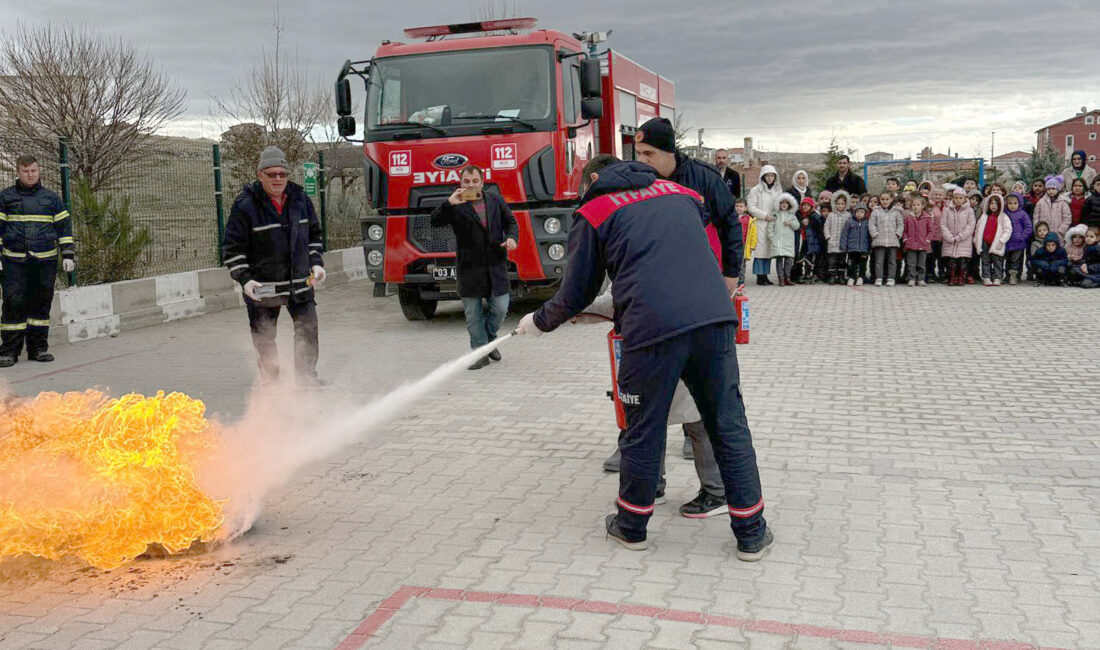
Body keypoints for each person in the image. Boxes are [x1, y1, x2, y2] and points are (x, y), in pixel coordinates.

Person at [515, 155, 773, 561]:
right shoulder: (683, 195)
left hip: (651, 330)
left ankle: (632, 527)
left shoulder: (595, 210)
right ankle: (752, 533)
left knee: (644, 428)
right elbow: (675, 260)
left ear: (593, 181)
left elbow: (577, 290)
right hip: (713, 319)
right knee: (727, 422)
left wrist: (541, 321)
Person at [618, 117, 746, 516]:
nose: (641, 161)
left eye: (648, 154)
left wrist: (729, 275)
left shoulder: (705, 179)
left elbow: (730, 226)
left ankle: (716, 489)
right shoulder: (637, 181)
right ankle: (647, 481)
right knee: (653, 398)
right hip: (658, 296)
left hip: (701, 293)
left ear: (671, 152)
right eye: (637, 154)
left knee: (696, 398)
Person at [223, 146, 326, 386]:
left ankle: (306, 380)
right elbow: (232, 248)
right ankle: (272, 383)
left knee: (307, 330)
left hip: (300, 284)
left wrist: (316, 263)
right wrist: (245, 279)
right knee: (264, 336)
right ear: (260, 175)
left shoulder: (300, 200)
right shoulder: (245, 205)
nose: (278, 179)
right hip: (264, 287)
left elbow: (314, 236)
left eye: (282, 174)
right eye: (272, 174)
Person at [430, 164, 518, 370]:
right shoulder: (455, 204)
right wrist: (448, 204)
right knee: (473, 314)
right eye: (466, 182)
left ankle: (488, 342)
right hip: (469, 269)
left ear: (482, 181)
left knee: (501, 308)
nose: (471, 185)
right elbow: (435, 222)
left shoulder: (495, 199)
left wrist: (512, 238)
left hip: (495, 266)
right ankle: (480, 353)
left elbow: (511, 223)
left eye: (475, 181)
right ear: (461, 183)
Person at [0, 155, 76, 366]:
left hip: (45, 262)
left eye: (33, 170)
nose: (30, 175)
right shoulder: (5, 198)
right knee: (13, 304)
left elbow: (64, 229)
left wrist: (68, 254)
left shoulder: (51, 199)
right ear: (18, 172)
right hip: (14, 262)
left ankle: (38, 349)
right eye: (26, 171)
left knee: (41, 305)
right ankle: (8, 352)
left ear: (38, 170)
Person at [746, 165, 783, 285]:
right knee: (760, 250)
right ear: (763, 176)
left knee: (768, 251)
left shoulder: (778, 190)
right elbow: (751, 207)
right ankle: (759, 275)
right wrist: (764, 215)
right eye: (767, 175)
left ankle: (766, 275)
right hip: (761, 223)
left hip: (773, 223)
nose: (770, 178)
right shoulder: (756, 190)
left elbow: (782, 205)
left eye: (772, 175)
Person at [973, 194, 1012, 286]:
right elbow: (978, 229)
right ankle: (986, 277)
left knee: (997, 261)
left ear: (1000, 205)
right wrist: (976, 240)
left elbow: (1008, 230)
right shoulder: (984, 217)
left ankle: (997, 277)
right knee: (985, 260)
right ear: (988, 205)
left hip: (997, 243)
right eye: (991, 204)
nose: (994, 206)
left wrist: (1001, 241)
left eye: (996, 204)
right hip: (985, 242)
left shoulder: (1003, 217)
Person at [941, 187, 976, 286]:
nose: (958, 200)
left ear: (965, 198)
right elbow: (943, 224)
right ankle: (952, 277)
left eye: (960, 198)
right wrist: (949, 237)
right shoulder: (947, 210)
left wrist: (960, 237)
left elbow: (971, 225)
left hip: (963, 241)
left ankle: (961, 277)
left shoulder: (969, 211)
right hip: (950, 241)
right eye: (956, 198)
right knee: (951, 261)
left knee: (962, 261)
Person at [869, 191, 904, 287]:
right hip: (879, 240)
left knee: (892, 261)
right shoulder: (876, 211)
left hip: (893, 240)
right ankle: (879, 278)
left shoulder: (896, 212)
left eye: (887, 199)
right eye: (882, 199)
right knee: (879, 261)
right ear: (880, 200)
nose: (885, 201)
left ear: (891, 200)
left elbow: (900, 224)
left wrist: (897, 234)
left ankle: (891, 278)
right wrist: (875, 234)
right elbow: (872, 224)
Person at [768, 193, 799, 287]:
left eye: (786, 203)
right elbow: (770, 227)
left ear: (789, 204)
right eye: (782, 203)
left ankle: (787, 278)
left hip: (788, 242)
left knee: (789, 260)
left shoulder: (792, 216)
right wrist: (772, 237)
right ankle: (780, 279)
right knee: (779, 260)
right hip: (777, 241)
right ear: (779, 204)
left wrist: (790, 223)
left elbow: (797, 226)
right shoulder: (775, 215)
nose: (784, 204)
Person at [903, 195, 934, 287]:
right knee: (911, 263)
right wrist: (905, 239)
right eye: (913, 205)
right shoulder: (908, 217)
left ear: (923, 206)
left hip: (923, 244)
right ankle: (911, 278)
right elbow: (905, 230)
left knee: (921, 263)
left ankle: (921, 279)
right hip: (911, 244)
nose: (915, 207)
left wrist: (928, 240)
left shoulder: (927, 218)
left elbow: (931, 230)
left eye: (918, 205)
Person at [786, 170, 812, 282]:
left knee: (804, 248)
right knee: (795, 247)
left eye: (803, 178)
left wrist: (808, 218)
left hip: (806, 223)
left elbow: (810, 205)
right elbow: (789, 207)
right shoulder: (790, 191)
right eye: (799, 178)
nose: (801, 180)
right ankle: (794, 274)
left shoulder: (808, 190)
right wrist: (800, 219)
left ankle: (804, 273)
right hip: (794, 221)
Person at [1003, 192, 1033, 285]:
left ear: (1019, 203)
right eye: (1010, 203)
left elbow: (1028, 226)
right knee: (1007, 260)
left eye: (1015, 203)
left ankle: (1014, 276)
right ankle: (1007, 276)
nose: (1012, 206)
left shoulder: (1022, 214)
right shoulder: (1005, 213)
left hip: (1018, 242)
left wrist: (1023, 236)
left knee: (1015, 260)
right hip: (1007, 241)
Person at [1033, 175, 1072, 244]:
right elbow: (1036, 216)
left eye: (1053, 189)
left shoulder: (1063, 202)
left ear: (1058, 189)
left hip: (1058, 234)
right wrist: (1038, 229)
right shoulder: (1041, 202)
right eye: (1049, 189)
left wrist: (1061, 230)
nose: (1051, 191)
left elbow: (1067, 218)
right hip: (1043, 233)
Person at [824, 191, 851, 284]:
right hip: (832, 242)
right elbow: (826, 226)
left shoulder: (848, 215)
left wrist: (848, 240)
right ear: (834, 204)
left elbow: (850, 229)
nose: (840, 205)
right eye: (838, 203)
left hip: (843, 243)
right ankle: (832, 277)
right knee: (832, 261)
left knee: (842, 261)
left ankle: (841, 277)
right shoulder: (831, 215)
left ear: (845, 204)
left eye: (842, 204)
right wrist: (828, 237)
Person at [840, 202, 870, 286]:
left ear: (865, 213)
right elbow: (844, 234)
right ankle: (851, 277)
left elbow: (869, 236)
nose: (859, 214)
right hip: (852, 248)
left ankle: (861, 277)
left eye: (862, 212)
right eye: (857, 212)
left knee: (862, 264)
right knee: (851, 264)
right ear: (854, 212)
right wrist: (843, 246)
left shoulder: (867, 223)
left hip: (863, 248)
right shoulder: (849, 222)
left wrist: (869, 247)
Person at [798, 197, 825, 284]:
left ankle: (813, 274)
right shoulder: (799, 215)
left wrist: (810, 221)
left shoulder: (814, 216)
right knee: (803, 258)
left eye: (807, 205)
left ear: (811, 206)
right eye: (804, 205)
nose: (805, 207)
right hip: (803, 240)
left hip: (812, 241)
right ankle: (805, 274)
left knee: (811, 258)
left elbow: (819, 226)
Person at [736, 198, 757, 286]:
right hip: (733, 244)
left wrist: (752, 246)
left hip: (744, 244)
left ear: (745, 208)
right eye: (736, 206)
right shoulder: (731, 217)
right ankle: (733, 280)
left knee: (742, 264)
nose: (738, 208)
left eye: (741, 206)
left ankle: (741, 281)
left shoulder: (749, 220)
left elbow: (753, 234)